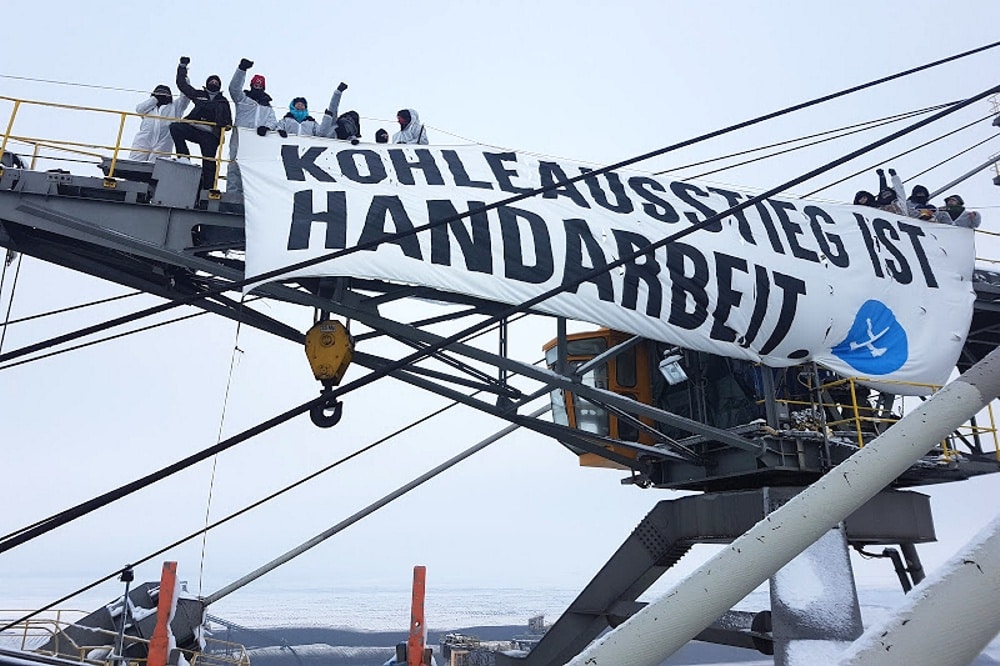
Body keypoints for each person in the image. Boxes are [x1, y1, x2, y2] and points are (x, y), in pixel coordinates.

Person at [169, 57, 233, 191]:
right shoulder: (199, 95)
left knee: (209, 161)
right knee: (175, 127)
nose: (213, 83)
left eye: (216, 82)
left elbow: (229, 123)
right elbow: (183, 85)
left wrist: (222, 124)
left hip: (211, 134)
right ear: (207, 83)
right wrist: (182, 67)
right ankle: (184, 156)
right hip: (194, 127)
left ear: (219, 86)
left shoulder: (223, 101)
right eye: (211, 81)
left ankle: (208, 189)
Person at [227, 57, 277, 192]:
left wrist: (266, 127)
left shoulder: (267, 107)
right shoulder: (242, 99)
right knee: (235, 166)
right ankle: (232, 194)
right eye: (256, 85)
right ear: (251, 85)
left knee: (254, 169)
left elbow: (273, 121)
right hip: (239, 139)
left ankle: (251, 195)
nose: (257, 87)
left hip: (257, 142)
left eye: (260, 86)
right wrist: (241, 69)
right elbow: (233, 88)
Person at [129, 85, 190, 162]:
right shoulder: (149, 108)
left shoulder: (175, 107)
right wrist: (154, 99)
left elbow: (185, 98)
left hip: (163, 141)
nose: (162, 95)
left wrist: (183, 80)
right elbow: (139, 109)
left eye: (165, 93)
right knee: (135, 162)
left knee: (157, 165)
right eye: (159, 93)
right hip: (144, 138)